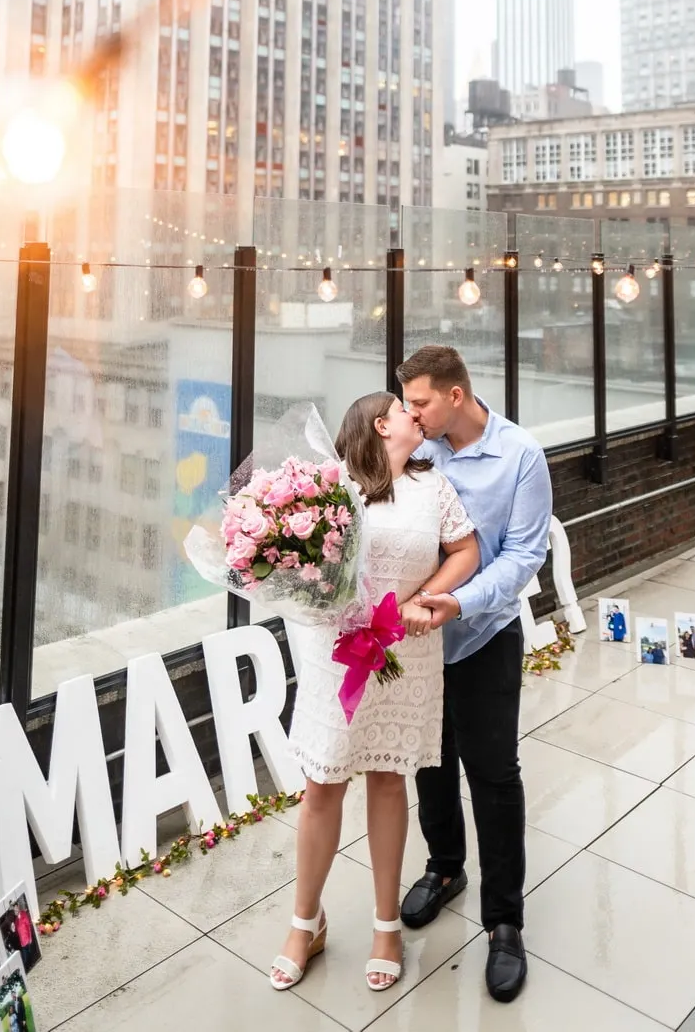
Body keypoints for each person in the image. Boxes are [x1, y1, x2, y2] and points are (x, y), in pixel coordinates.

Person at [270, 391, 480, 994]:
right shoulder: (330, 490)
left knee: (389, 780)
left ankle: (386, 924)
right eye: (405, 408)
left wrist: (425, 598)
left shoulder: (432, 486)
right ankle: (304, 923)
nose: (419, 413)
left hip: (405, 652)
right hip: (336, 659)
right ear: (381, 424)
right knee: (322, 784)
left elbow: (465, 550)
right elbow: (295, 567)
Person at [396, 345, 553, 1004]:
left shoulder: (522, 456)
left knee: (492, 774)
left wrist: (458, 601)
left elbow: (523, 558)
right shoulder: (418, 447)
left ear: (455, 395)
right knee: (429, 761)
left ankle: (505, 919)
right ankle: (445, 868)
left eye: (421, 402)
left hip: (484, 633)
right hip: (418, 637)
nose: (410, 415)